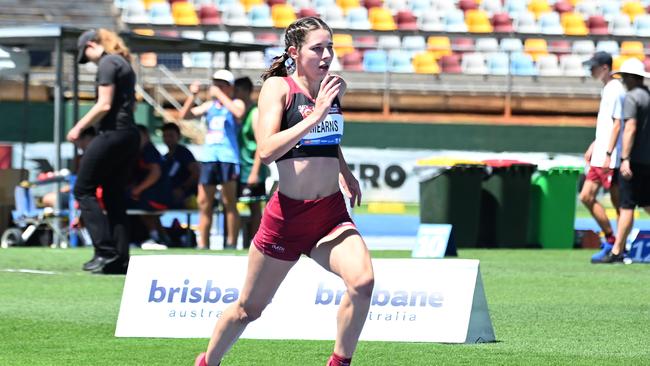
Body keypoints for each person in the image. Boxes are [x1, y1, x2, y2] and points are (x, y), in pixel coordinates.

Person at [194, 17, 373, 366]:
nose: (326, 55)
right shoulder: (278, 88)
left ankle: (339, 362)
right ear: (294, 52)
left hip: (330, 214)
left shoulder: (335, 86)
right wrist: (315, 115)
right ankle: (208, 362)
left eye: (330, 47)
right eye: (317, 48)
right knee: (248, 309)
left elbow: (329, 138)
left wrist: (344, 171)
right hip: (287, 218)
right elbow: (266, 150)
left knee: (363, 281)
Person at [67, 29, 140, 275]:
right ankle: (120, 258)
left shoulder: (108, 62)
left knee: (83, 189)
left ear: (91, 44)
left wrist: (79, 127)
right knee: (113, 195)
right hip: (129, 134)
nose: (88, 62)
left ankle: (105, 252)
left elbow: (104, 104)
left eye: (86, 55)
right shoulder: (123, 62)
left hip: (112, 133)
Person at [179, 70, 245, 250]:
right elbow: (185, 116)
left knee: (229, 201)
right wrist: (192, 96)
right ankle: (203, 243)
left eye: (222, 84)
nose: (218, 88)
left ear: (230, 88)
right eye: (216, 84)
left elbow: (238, 113)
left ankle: (231, 243)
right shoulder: (209, 106)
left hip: (228, 158)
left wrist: (221, 96)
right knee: (204, 202)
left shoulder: (235, 103)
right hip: (209, 158)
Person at [595, 58, 650, 263]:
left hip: (634, 161)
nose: (623, 81)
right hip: (648, 161)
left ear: (631, 78)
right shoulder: (648, 96)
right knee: (647, 203)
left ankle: (617, 251)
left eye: (625, 77)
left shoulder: (631, 99)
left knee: (627, 206)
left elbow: (630, 128)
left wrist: (625, 158)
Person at [579, 52, 626, 263]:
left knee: (621, 205)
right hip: (602, 154)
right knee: (586, 196)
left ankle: (618, 247)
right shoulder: (607, 88)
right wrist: (595, 144)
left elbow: (617, 124)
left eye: (594, 66)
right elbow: (607, 124)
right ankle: (611, 240)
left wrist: (608, 154)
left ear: (605, 67)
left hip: (611, 157)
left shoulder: (615, 89)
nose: (590, 70)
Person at [234, 76, 269, 246]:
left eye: (237, 90)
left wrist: (255, 172)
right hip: (240, 167)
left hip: (252, 168)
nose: (234, 94)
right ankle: (243, 241)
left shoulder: (255, 113)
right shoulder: (239, 112)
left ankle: (255, 243)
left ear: (246, 91)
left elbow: (259, 144)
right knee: (240, 206)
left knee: (254, 207)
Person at [127, 124, 172, 246]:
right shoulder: (140, 151)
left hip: (158, 195)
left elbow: (155, 172)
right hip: (153, 194)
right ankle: (161, 237)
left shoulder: (149, 150)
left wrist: (138, 189)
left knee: (142, 207)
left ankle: (153, 238)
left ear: (146, 135)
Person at [161, 122, 199, 209]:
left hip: (186, 197)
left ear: (178, 137)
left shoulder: (184, 153)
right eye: (165, 136)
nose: (168, 139)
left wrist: (182, 188)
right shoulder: (165, 157)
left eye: (171, 135)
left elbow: (196, 173)